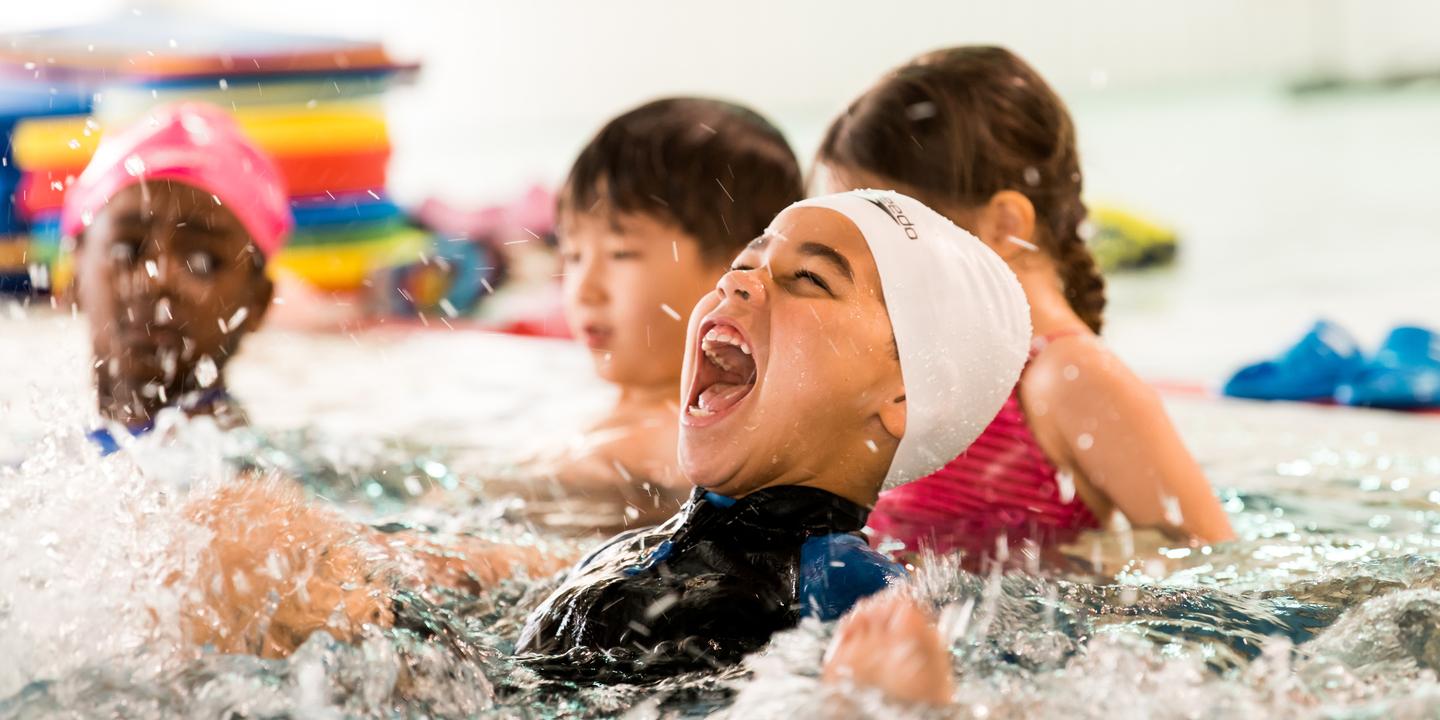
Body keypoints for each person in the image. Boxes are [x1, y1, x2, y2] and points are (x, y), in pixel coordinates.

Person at [182, 190, 1032, 680]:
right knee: (251, 546)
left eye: (808, 279)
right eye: (748, 258)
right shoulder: (661, 542)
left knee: (244, 549)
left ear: (900, 394)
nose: (742, 282)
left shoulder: (844, 584)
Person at [815, 46, 1233, 563]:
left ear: (1006, 225)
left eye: (888, 232)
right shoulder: (933, 368)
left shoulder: (1070, 378)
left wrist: (1096, 563)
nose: (862, 260)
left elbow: (1211, 562)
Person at [522, 97, 803, 527]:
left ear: (739, 272)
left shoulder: (689, 453)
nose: (585, 289)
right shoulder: (614, 414)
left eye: (621, 253)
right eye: (574, 254)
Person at [63, 102, 291, 455]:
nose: (158, 278)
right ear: (74, 277)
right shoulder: (50, 451)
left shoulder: (257, 488)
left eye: (202, 261)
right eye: (127, 251)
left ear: (257, 303)